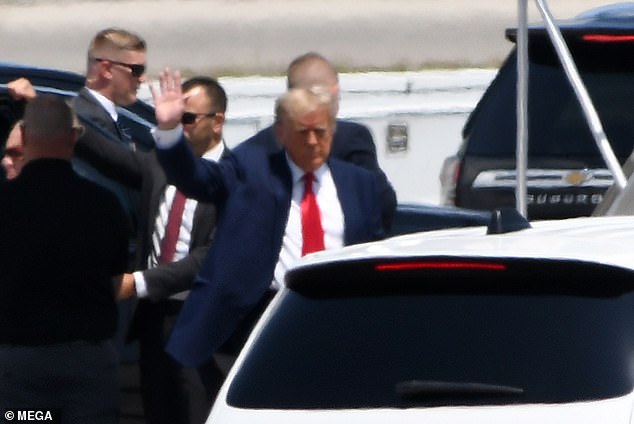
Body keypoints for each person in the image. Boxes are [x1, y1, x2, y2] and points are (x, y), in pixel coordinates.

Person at [149, 69, 385, 370]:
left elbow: (371, 253)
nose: (313, 142)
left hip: (336, 318)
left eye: (321, 131)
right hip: (262, 319)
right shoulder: (251, 169)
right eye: (302, 132)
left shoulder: (359, 183)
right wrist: (170, 132)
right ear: (281, 134)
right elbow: (198, 179)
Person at [82, 76, 231, 424]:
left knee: (196, 411)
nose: (181, 127)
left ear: (218, 121)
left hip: (198, 318)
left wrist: (139, 281)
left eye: (188, 119)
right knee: (158, 410)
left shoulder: (234, 177)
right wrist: (58, 115)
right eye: (176, 119)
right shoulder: (159, 164)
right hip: (153, 319)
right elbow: (108, 156)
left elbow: (210, 256)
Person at [0, 94, 129, 423]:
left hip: (21, 364)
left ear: (26, 137)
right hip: (89, 364)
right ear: (73, 138)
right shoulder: (103, 205)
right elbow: (115, 279)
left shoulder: (6, 205)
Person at [243, 52, 397, 232]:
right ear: (333, 94)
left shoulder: (251, 150)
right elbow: (382, 204)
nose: (312, 142)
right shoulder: (351, 139)